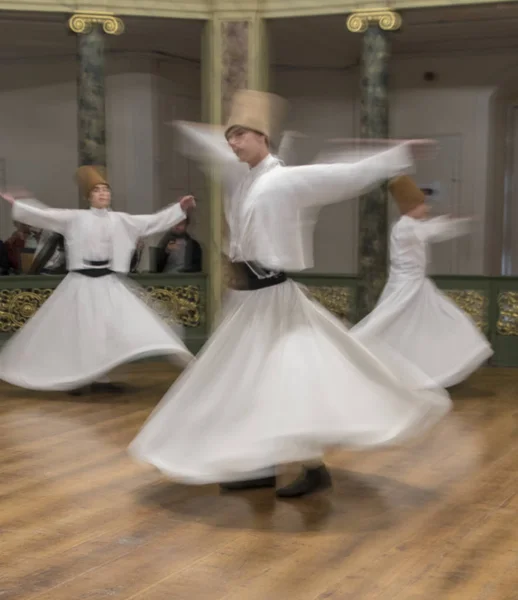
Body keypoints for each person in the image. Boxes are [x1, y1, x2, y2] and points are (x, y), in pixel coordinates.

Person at [129, 90, 451, 498]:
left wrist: (398, 153)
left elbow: (344, 175)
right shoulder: (242, 179)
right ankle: (261, 465)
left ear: (262, 137)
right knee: (247, 384)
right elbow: (213, 148)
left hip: (273, 299)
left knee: (287, 381)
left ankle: (312, 467)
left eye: (240, 135)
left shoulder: (285, 179)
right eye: (230, 137)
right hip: (247, 302)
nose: (232, 143)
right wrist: (192, 130)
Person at [0, 166, 195, 394]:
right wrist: (19, 204)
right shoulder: (75, 218)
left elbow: (151, 222)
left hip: (107, 282)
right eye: (97, 191)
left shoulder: (121, 220)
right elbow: (45, 215)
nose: (103, 194)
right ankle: (78, 377)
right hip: (80, 282)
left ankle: (101, 378)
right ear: (89, 197)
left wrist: (178, 209)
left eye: (106, 190)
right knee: (82, 331)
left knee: (107, 331)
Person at [352, 175, 493, 388]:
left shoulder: (409, 225)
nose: (426, 209)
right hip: (407, 288)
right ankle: (356, 357)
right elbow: (431, 231)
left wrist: (452, 222)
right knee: (390, 325)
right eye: (422, 204)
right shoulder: (406, 226)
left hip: (417, 286)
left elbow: (429, 228)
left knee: (428, 326)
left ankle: (424, 371)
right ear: (411, 207)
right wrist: (456, 222)